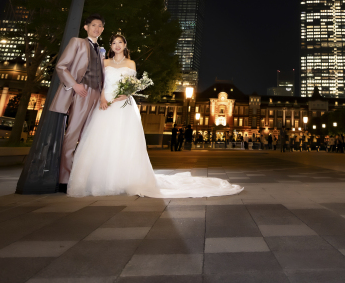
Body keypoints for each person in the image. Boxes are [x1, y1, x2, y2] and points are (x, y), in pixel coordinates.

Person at [68, 33, 243, 198]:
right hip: (106, 104)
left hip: (124, 104)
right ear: (111, 46)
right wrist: (103, 99)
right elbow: (102, 84)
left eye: (120, 42)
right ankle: (100, 180)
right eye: (114, 43)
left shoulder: (131, 64)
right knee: (102, 140)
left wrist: (126, 94)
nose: (117, 45)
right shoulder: (105, 63)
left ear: (125, 45)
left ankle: (125, 179)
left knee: (125, 141)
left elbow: (133, 84)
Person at [48, 14, 105, 193]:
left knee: (88, 136)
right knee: (72, 133)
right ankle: (64, 179)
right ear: (86, 27)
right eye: (93, 25)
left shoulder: (102, 50)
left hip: (98, 94)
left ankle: (82, 176)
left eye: (100, 26)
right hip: (82, 92)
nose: (97, 28)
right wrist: (75, 85)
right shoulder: (77, 42)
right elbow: (61, 66)